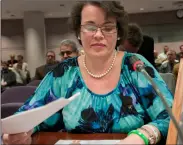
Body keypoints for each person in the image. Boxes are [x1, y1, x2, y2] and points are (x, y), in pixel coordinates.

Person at [2, 1, 173, 145]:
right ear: (78, 32)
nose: (98, 35)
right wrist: (23, 132)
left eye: (107, 27)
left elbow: (171, 115)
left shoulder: (135, 66)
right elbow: (29, 114)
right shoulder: (64, 73)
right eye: (90, 27)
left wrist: (144, 135)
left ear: (119, 33)